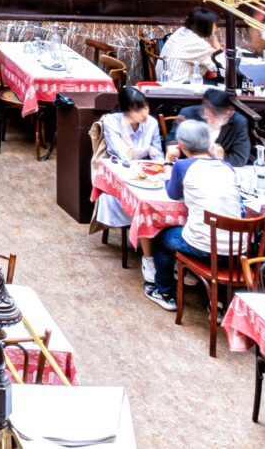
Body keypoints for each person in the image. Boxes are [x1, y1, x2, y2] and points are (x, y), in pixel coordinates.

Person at [146, 118, 247, 310]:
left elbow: (172, 194)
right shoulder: (226, 166)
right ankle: (217, 302)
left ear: (181, 145)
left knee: (160, 239)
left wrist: (168, 162)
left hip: (203, 247)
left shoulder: (182, 166)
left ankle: (164, 292)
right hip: (239, 250)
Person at [95, 86, 165, 289]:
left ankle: (162, 254)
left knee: (158, 200)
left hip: (147, 175)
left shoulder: (151, 123)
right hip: (119, 178)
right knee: (144, 206)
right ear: (126, 111)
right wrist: (145, 150)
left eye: (145, 108)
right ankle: (149, 259)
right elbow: (123, 154)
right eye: (137, 109)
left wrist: (152, 156)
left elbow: (158, 156)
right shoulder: (111, 122)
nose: (144, 113)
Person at [170, 86, 254, 166]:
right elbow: (172, 139)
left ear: (229, 113)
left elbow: (239, 159)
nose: (209, 119)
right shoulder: (188, 114)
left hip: (220, 170)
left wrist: (221, 157)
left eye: (214, 117)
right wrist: (173, 148)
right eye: (205, 114)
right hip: (188, 165)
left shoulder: (239, 122)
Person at [157, 9, 222, 86]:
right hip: (179, 86)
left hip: (165, 81)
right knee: (226, 87)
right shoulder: (195, 42)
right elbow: (221, 65)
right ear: (205, 26)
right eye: (214, 24)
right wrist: (214, 39)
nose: (216, 27)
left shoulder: (182, 31)